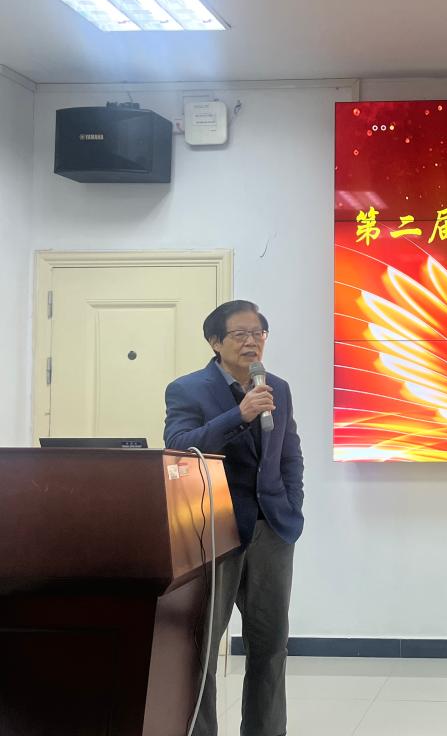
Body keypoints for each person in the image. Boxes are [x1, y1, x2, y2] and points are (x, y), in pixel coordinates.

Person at [164, 300, 304, 736]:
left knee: (270, 646)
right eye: (240, 334)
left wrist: (292, 506)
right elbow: (180, 445)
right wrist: (239, 414)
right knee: (202, 649)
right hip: (213, 531)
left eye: (258, 333)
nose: (252, 342)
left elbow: (289, 453)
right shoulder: (187, 389)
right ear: (215, 342)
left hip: (272, 529)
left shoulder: (277, 387)